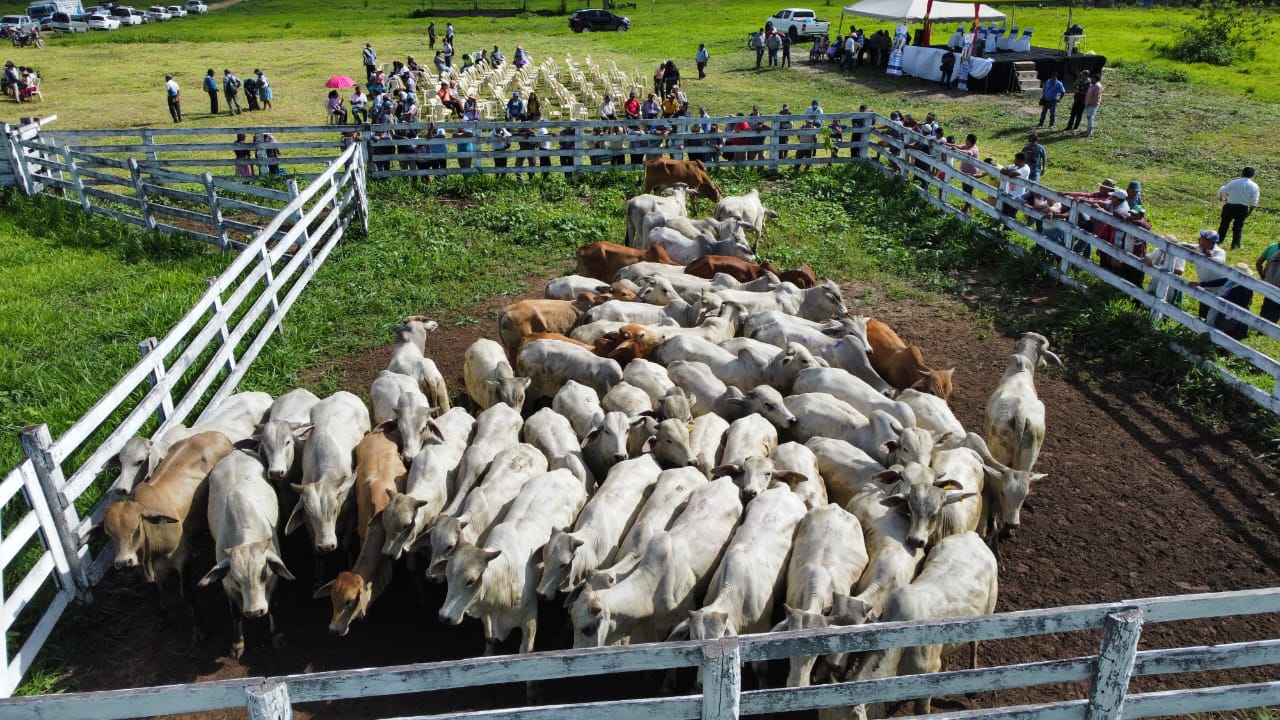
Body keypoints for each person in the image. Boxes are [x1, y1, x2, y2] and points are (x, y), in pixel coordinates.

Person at [1206, 263, 1256, 340]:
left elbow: (1236, 300)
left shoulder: (1244, 288)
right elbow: (1221, 281)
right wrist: (1202, 284)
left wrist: (1216, 298)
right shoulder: (1232, 281)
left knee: (1229, 334)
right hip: (1226, 309)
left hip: (1235, 315)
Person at [1189, 229, 1229, 320]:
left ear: (1209, 242)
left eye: (1202, 238)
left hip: (1217, 289)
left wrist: (1210, 258)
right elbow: (1186, 245)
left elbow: (1220, 261)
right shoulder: (1199, 248)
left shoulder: (1220, 252)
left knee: (1215, 315)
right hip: (1204, 286)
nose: (1199, 239)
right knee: (1203, 313)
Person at [1218, 166, 1260, 250]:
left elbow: (1222, 190)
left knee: (1223, 225)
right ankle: (1235, 246)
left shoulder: (1234, 182)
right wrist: (1249, 212)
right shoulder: (1254, 186)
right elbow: (1254, 202)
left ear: (1242, 173)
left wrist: (1223, 199)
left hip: (1230, 206)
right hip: (1242, 208)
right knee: (1238, 228)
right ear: (1253, 175)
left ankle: (1218, 241)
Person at [1144, 234, 1186, 306]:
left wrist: (1165, 267)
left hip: (1171, 282)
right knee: (1151, 294)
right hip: (1157, 279)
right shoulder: (1160, 250)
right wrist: (1148, 260)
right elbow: (1148, 257)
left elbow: (1180, 271)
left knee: (1167, 301)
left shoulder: (1179, 255)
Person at [945, 133, 982, 214]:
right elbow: (958, 146)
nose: (965, 141)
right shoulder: (967, 145)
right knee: (965, 189)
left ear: (969, 141)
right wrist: (946, 144)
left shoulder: (973, 148)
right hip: (965, 173)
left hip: (971, 174)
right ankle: (968, 206)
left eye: (966, 140)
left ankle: (967, 208)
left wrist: (958, 150)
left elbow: (969, 153)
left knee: (968, 191)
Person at [1254, 239, 1280, 323]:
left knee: (1266, 306)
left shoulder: (1274, 249)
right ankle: (1265, 331)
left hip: (1269, 284)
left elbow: (1258, 263)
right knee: (1274, 311)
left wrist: (1264, 277)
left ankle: (1259, 327)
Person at [999, 152, 1030, 217]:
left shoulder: (1026, 169)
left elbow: (1014, 174)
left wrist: (1009, 173)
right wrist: (1010, 172)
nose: (1014, 161)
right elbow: (1002, 170)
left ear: (1022, 161)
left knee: (1011, 214)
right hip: (1009, 193)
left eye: (1016, 159)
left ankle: (1009, 227)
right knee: (1004, 211)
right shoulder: (1014, 166)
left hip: (1017, 196)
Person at [1083, 70, 1103, 137]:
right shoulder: (1092, 85)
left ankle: (1089, 132)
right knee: (1088, 118)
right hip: (1088, 104)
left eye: (1092, 78)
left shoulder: (1097, 86)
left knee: (1090, 118)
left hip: (1092, 105)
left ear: (1095, 79)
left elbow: (1096, 97)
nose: (1091, 79)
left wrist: (1092, 104)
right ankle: (1088, 130)